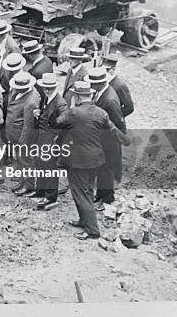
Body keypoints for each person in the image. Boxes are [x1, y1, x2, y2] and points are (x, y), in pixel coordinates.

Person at [50, 81, 120, 240]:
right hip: (96, 159)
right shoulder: (101, 113)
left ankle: (92, 229)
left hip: (78, 161)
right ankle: (84, 220)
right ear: (91, 95)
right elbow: (112, 133)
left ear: (77, 96)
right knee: (88, 191)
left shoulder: (73, 112)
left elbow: (56, 124)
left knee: (80, 193)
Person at [85, 67, 125, 208]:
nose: (90, 85)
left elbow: (118, 123)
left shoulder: (109, 100)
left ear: (98, 84)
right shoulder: (102, 93)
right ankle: (101, 194)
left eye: (91, 83)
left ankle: (107, 198)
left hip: (109, 141)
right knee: (102, 169)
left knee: (106, 170)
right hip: (103, 139)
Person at [32, 73, 68, 210]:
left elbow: (65, 127)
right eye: (45, 87)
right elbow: (45, 117)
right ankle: (41, 190)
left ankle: (51, 196)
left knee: (50, 168)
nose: (47, 90)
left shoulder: (61, 104)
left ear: (54, 87)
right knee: (40, 164)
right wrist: (38, 116)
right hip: (41, 137)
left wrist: (56, 142)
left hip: (52, 140)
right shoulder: (46, 99)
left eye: (50, 88)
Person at [5, 71, 40, 196]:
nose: (17, 89)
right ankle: (22, 182)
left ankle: (29, 186)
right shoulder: (18, 91)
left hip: (22, 136)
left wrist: (23, 140)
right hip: (14, 133)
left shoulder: (31, 101)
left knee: (25, 161)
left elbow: (28, 124)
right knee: (20, 160)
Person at [102, 53, 134, 118]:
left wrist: (117, 116)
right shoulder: (103, 81)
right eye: (103, 69)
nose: (104, 72)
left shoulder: (120, 85)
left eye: (107, 70)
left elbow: (129, 107)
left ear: (113, 69)